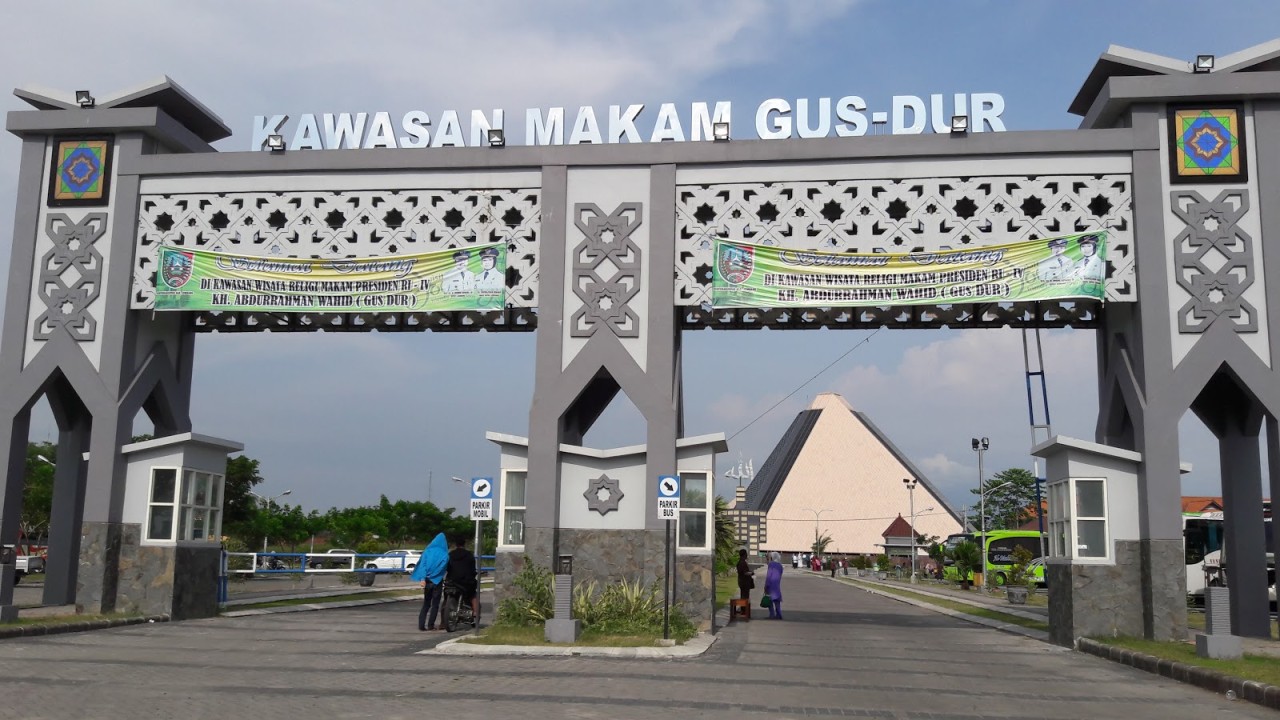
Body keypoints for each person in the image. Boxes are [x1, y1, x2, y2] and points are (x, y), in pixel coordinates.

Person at [410, 532, 449, 631]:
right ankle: (431, 625)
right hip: (437, 581)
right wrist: (434, 576)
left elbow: (422, 566)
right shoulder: (445, 554)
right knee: (435, 604)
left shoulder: (427, 552)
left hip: (426, 581)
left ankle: (421, 625)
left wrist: (423, 578)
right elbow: (442, 568)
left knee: (426, 603)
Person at [445, 536, 480, 628]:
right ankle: (475, 612)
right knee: (473, 594)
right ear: (464, 544)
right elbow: (472, 568)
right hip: (466, 581)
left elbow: (448, 567)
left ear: (456, 544)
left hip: (452, 580)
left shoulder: (450, 554)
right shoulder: (469, 555)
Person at [764, 551, 785, 619]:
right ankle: (779, 614)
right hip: (777, 583)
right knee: (777, 600)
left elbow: (769, 575)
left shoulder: (771, 564)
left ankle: (772, 614)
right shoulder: (780, 566)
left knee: (769, 599)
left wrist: (766, 585)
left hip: (770, 583)